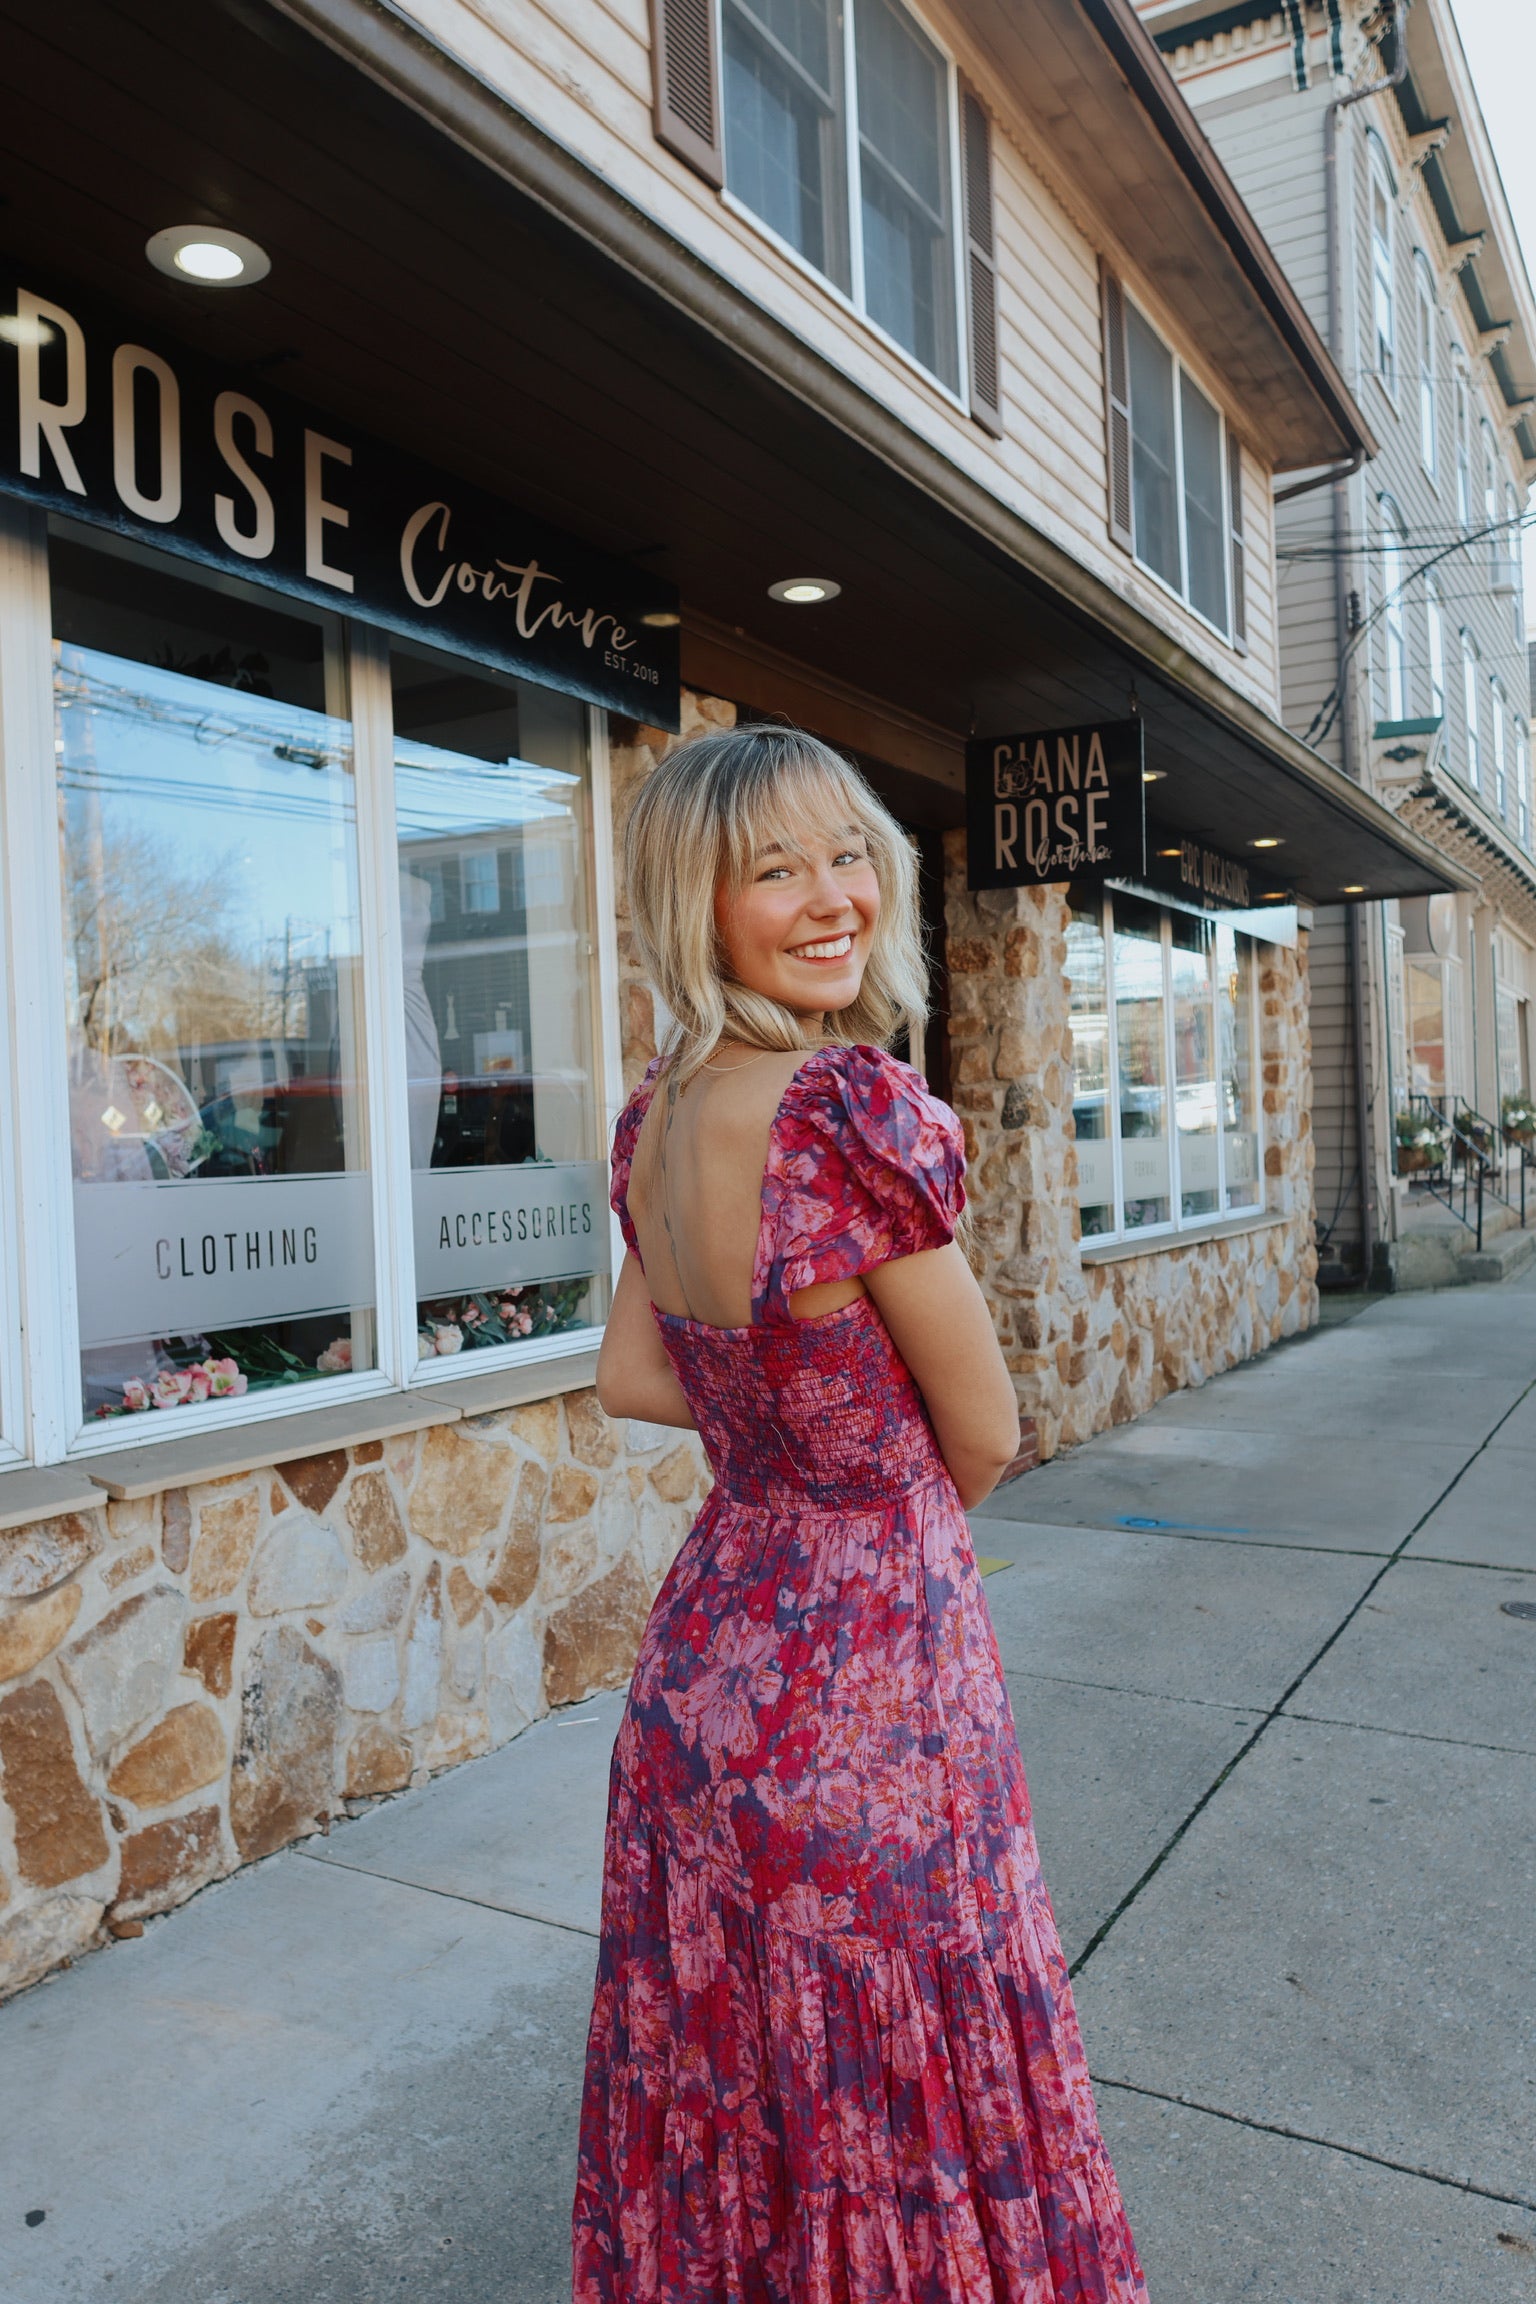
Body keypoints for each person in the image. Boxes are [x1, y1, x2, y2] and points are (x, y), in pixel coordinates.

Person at [573, 724, 1147, 2303]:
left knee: (735, 2049)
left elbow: (634, 1375)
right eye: (777, 869)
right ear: (699, 904)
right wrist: (866, 1486)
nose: (832, 896)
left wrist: (786, 1429)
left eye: (846, 852)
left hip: (704, 1669)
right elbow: (986, 1431)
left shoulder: (657, 1120)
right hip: (866, 1672)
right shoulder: (848, 1113)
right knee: (902, 2064)